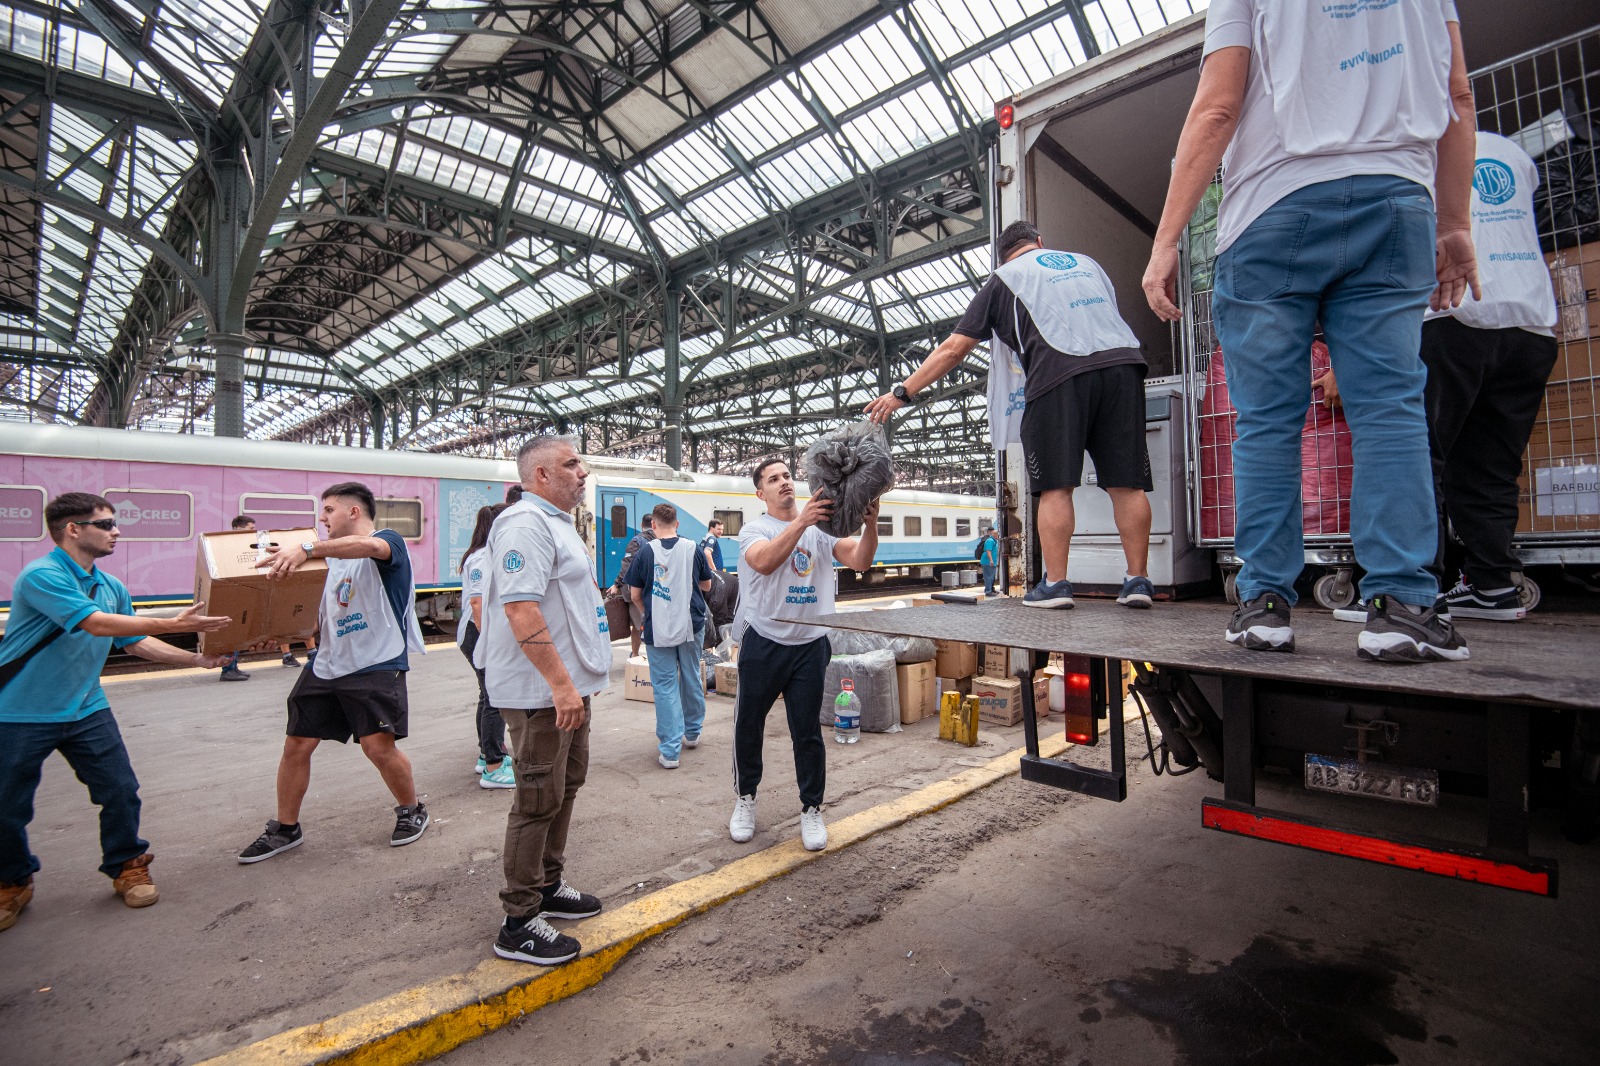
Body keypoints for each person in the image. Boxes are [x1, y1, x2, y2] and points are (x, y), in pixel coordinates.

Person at [1142, 0, 1479, 662]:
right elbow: (1458, 96)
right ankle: (1403, 607)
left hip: (1272, 208)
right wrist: (1454, 222)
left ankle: (1264, 604)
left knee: (1267, 420)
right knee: (1388, 408)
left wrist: (1166, 241)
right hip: (1394, 198)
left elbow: (1217, 107)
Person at [865, 221, 1156, 611]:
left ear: (1003, 257)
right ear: (1040, 242)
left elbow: (954, 348)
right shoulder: (1087, 264)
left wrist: (902, 392)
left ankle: (1056, 585)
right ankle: (1138, 581)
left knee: (1057, 487)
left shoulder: (1004, 279)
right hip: (1124, 366)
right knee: (1128, 485)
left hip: (1059, 373)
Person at [1, 493, 231, 930]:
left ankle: (127, 865)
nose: (116, 531)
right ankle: (12, 881)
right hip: (20, 711)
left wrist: (197, 660)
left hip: (86, 708)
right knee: (6, 804)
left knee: (120, 789)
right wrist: (173, 623)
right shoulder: (42, 575)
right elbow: (96, 624)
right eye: (105, 524)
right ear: (73, 529)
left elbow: (133, 642)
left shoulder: (111, 586)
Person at [236, 482, 428, 863]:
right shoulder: (328, 565)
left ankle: (412, 808)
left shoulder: (388, 542)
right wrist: (273, 635)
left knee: (377, 747)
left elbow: (369, 547)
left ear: (353, 512)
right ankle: (286, 828)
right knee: (296, 744)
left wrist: (306, 548)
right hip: (326, 665)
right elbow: (317, 621)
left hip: (376, 662)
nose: (322, 518)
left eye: (328, 510)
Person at [476, 436, 608, 966]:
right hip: (542, 694)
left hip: (569, 687)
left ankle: (548, 885)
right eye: (571, 464)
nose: (583, 471)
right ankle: (518, 920)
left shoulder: (556, 523)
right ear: (541, 476)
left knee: (564, 787)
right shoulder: (524, 524)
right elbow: (521, 609)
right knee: (536, 800)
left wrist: (574, 684)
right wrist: (559, 684)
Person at [728, 459, 879, 853]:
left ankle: (812, 808)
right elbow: (763, 562)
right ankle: (746, 797)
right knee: (748, 725)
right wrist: (802, 522)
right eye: (773, 479)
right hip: (764, 640)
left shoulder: (822, 532)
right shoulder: (754, 530)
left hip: (810, 644)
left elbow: (860, 560)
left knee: (807, 732)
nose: (783, 482)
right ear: (760, 493)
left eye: (786, 476)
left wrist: (871, 526)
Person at [625, 503, 714, 769]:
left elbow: (635, 594)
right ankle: (693, 732)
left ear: (653, 525)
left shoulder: (644, 552)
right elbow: (707, 585)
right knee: (690, 675)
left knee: (664, 686)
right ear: (677, 524)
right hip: (691, 625)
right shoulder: (693, 549)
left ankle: (670, 750)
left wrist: (649, 613)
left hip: (658, 628)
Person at [220, 515, 315, 680]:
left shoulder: (244, 544)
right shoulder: (230, 544)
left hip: (245, 592)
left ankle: (232, 666)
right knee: (233, 632)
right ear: (237, 528)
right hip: (235, 593)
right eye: (251, 528)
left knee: (239, 632)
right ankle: (227, 669)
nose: (254, 531)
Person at [459, 504, 513, 787]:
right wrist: (489, 640)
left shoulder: (480, 554)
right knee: (495, 696)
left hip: (475, 633)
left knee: (486, 695)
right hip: (478, 633)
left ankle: (486, 754)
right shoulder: (482, 557)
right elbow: (477, 604)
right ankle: (494, 765)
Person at [616, 514, 655, 656]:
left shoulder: (637, 541)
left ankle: (635, 654)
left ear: (641, 525)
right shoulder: (660, 540)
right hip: (656, 589)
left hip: (638, 589)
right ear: (654, 524)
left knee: (639, 625)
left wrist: (617, 584)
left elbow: (627, 566)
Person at [977, 527, 1001, 596]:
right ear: (995, 535)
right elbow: (988, 551)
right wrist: (991, 560)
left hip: (992, 562)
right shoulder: (990, 541)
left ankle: (991, 589)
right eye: (998, 535)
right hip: (987, 562)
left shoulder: (994, 541)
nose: (999, 537)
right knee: (988, 577)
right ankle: (988, 591)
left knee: (992, 577)